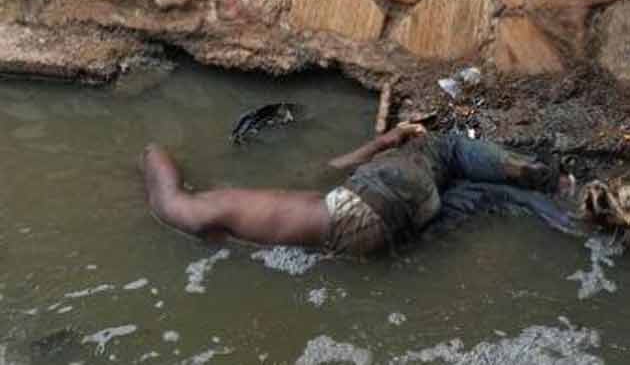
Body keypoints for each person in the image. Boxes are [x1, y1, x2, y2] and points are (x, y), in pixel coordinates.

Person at [140, 123, 575, 256]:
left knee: (481, 197)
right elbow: (165, 192)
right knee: (446, 147)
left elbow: (330, 170)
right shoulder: (200, 209)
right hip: (367, 204)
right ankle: (556, 182)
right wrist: (146, 151)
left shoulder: (243, 223)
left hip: (376, 237)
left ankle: (572, 219)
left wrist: (383, 143)